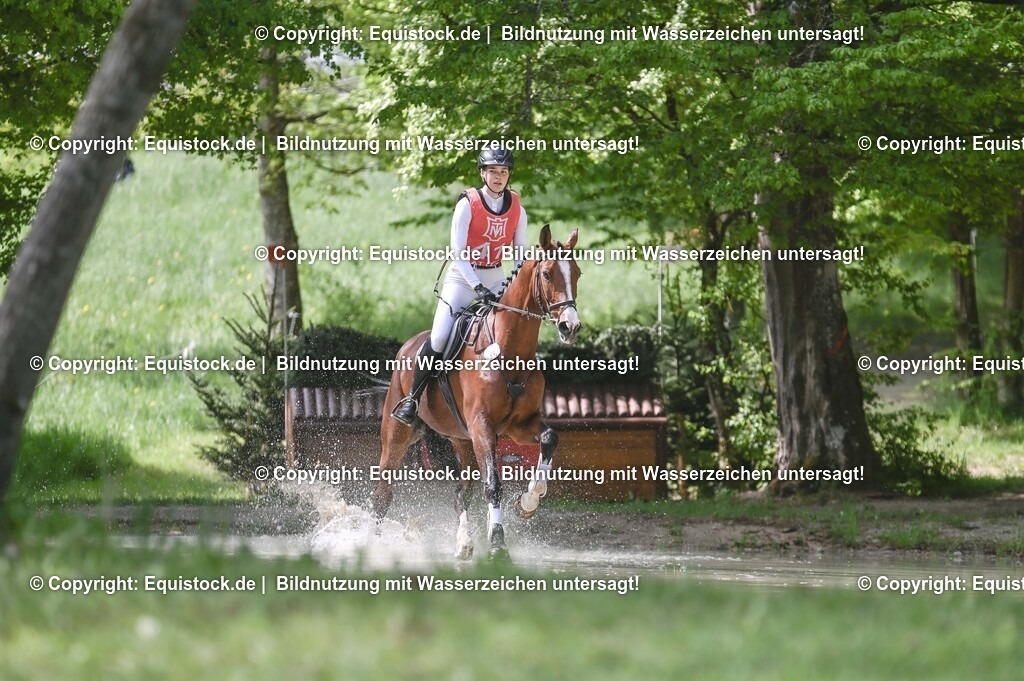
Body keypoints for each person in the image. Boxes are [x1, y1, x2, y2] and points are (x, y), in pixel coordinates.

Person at [391, 147, 528, 424]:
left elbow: (520, 254)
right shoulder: (468, 203)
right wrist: (477, 287)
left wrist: (515, 285)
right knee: (440, 337)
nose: (498, 177)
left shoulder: (517, 209)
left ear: (509, 175)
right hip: (462, 278)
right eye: (492, 171)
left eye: (503, 172)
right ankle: (412, 399)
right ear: (482, 173)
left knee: (515, 328)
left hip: (496, 275)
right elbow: (458, 252)